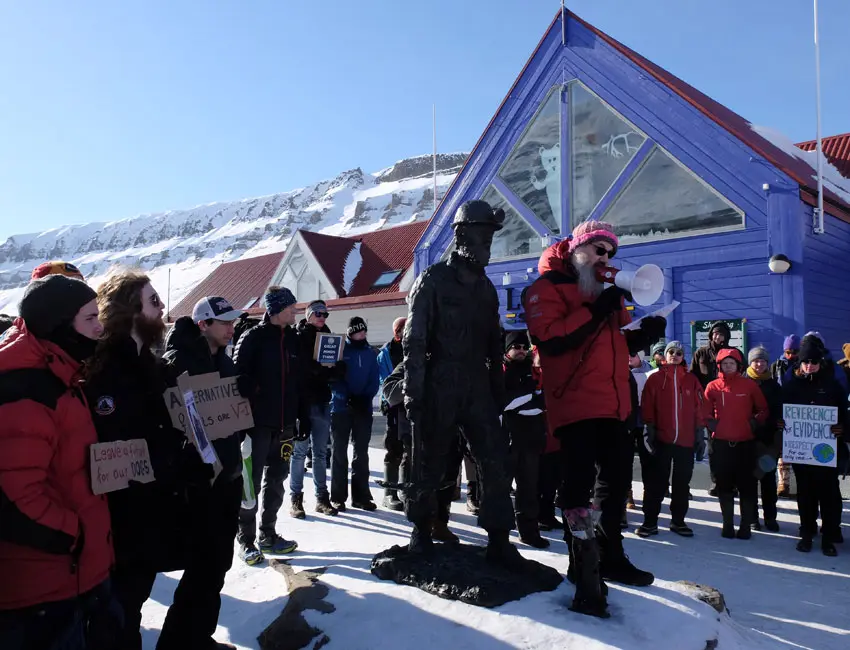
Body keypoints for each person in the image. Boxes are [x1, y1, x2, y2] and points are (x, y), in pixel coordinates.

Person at [526, 221, 666, 619]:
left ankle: (610, 554)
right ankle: (581, 563)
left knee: (617, 482)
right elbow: (552, 340)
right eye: (598, 250)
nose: (605, 258)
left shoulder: (607, 294)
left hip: (613, 404)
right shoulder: (547, 288)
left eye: (610, 252)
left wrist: (642, 336)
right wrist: (596, 310)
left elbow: (612, 346)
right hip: (573, 402)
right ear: (575, 249)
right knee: (578, 485)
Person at [85, 270, 218, 650]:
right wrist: (172, 463)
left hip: (152, 512)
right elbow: (113, 447)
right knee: (117, 616)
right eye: (154, 302)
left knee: (134, 604)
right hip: (119, 520)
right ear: (129, 311)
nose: (162, 309)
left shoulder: (152, 365)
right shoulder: (104, 369)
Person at [0, 276, 120, 650]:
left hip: (78, 572)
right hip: (44, 588)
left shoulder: (62, 374)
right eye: (89, 318)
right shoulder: (25, 391)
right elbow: (14, 500)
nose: (100, 327)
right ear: (58, 325)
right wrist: (76, 535)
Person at [404, 200, 522, 568]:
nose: (488, 243)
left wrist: (497, 391)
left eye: (489, 236)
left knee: (495, 459)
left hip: (477, 385)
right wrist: (413, 389)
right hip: (440, 381)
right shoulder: (433, 280)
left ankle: (499, 537)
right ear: (462, 234)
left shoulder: (486, 288)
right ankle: (421, 531)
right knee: (429, 460)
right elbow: (415, 340)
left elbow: (492, 343)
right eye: (483, 234)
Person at [159, 296, 247, 649]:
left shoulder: (224, 361)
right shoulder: (178, 363)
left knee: (217, 566)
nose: (232, 327)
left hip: (227, 478)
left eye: (233, 321)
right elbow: (170, 425)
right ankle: (178, 642)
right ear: (203, 325)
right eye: (224, 322)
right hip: (197, 484)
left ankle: (198, 637)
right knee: (201, 567)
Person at [233, 286, 301, 565]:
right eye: (291, 308)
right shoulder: (253, 337)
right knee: (249, 483)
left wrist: (302, 415)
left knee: (276, 481)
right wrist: (249, 386)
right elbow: (236, 374)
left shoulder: (294, 339)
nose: (295, 312)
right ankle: (245, 539)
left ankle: (268, 534)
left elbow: (300, 381)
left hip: (285, 424)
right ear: (276, 310)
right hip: (257, 425)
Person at [778, 337, 848, 556]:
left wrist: (842, 428)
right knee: (806, 494)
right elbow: (781, 411)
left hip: (826, 452)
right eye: (806, 361)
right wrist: (780, 422)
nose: (810, 366)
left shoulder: (831, 385)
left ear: (820, 362)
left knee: (828, 494)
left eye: (814, 362)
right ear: (800, 362)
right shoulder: (792, 386)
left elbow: (844, 413)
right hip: (802, 452)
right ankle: (807, 533)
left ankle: (828, 537)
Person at [636, 341, 706, 538]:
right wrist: (648, 430)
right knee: (656, 483)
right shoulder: (655, 379)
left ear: (683, 357)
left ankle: (678, 521)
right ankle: (650, 522)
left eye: (678, 353)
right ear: (665, 356)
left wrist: (700, 433)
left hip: (685, 441)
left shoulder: (691, 380)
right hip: (662, 439)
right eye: (671, 352)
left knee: (682, 484)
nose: (674, 355)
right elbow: (647, 405)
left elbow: (700, 407)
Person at [704, 348, 768, 540]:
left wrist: (753, 423)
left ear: (739, 365)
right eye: (725, 363)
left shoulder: (749, 386)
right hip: (722, 445)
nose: (728, 366)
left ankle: (745, 526)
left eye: (732, 363)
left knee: (747, 486)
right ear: (719, 365)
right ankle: (728, 524)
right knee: (724, 486)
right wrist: (715, 426)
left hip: (745, 444)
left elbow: (763, 409)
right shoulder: (712, 387)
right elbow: (704, 412)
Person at [291, 301, 343, 518]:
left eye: (325, 314)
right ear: (309, 315)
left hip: (322, 400)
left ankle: (322, 498)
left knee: (321, 453)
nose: (322, 317)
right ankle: (296, 499)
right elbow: (300, 368)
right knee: (300, 452)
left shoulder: (330, 338)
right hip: (303, 402)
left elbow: (339, 369)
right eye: (318, 314)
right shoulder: (300, 335)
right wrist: (321, 370)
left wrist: (332, 370)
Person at [502, 330, 549, 548]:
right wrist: (529, 396)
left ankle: (529, 531)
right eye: (515, 347)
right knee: (500, 488)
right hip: (507, 440)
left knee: (529, 488)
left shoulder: (533, 370)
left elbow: (543, 402)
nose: (520, 351)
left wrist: (528, 399)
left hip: (531, 439)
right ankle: (498, 532)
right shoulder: (500, 370)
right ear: (507, 350)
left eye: (523, 347)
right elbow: (502, 403)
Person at [330, 317, 380, 511]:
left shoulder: (370, 353)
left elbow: (374, 379)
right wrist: (346, 396)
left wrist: (365, 398)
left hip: (363, 409)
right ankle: (338, 496)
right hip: (341, 408)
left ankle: (361, 496)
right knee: (339, 453)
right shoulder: (342, 351)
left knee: (361, 453)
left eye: (364, 332)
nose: (362, 335)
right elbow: (335, 378)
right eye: (358, 332)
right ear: (350, 333)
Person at [744, 346, 782, 532]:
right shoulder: (743, 382)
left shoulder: (774, 385)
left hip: (768, 442)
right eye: (756, 361)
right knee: (750, 481)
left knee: (768, 481)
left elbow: (778, 412)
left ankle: (770, 517)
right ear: (750, 362)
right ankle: (752, 517)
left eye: (763, 361)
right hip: (748, 440)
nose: (759, 364)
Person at [377, 317, 407, 511]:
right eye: (403, 329)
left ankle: (405, 488)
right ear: (396, 332)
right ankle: (389, 492)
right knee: (393, 447)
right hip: (393, 406)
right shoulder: (386, 353)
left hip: (410, 407)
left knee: (409, 448)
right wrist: (388, 401)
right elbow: (383, 380)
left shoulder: (416, 347)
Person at [772, 334, 800, 497]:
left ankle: (803, 483)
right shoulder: (776, 365)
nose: (791, 355)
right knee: (783, 450)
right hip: (782, 411)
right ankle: (783, 483)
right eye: (788, 351)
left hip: (799, 411)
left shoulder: (804, 365)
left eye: (795, 351)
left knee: (799, 449)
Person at [691, 322, 731, 388]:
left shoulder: (732, 352)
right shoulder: (701, 352)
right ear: (711, 335)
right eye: (716, 334)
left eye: (721, 335)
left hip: (727, 391)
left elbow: (742, 372)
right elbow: (693, 374)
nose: (718, 337)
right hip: (704, 392)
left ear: (726, 337)